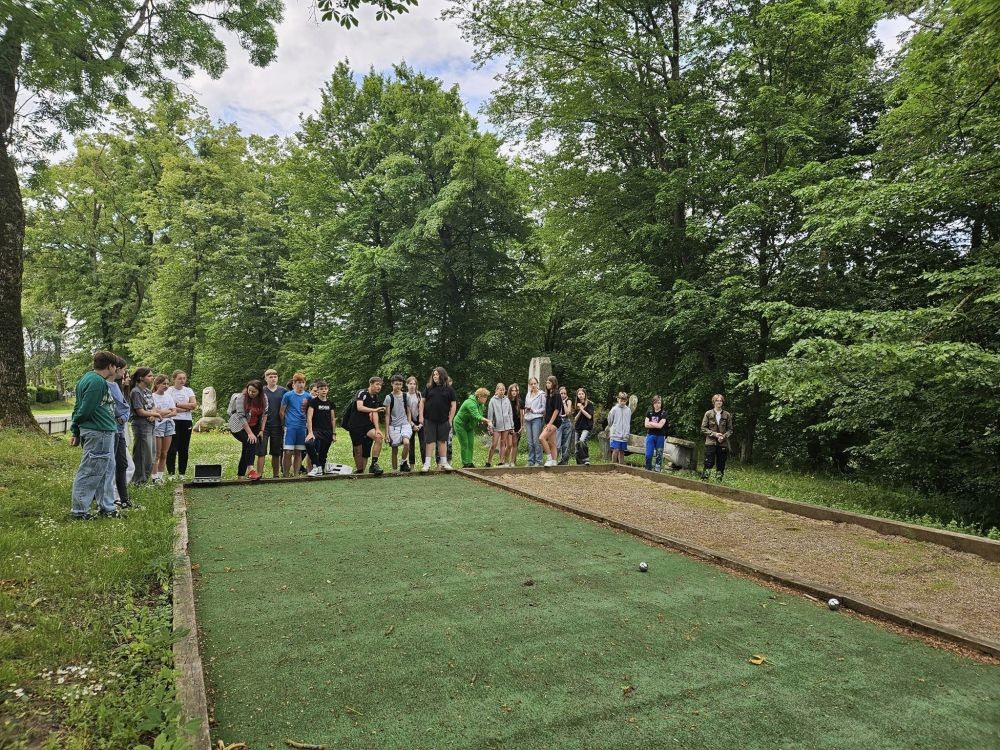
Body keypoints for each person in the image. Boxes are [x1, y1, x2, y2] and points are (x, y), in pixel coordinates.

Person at [68, 351, 120, 520]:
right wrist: (76, 428)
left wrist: (76, 430)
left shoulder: (86, 378)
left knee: (106, 470)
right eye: (115, 366)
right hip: (99, 431)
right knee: (90, 470)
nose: (117, 370)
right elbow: (84, 410)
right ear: (110, 366)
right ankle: (79, 511)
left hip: (104, 431)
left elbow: (78, 407)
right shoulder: (97, 382)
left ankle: (107, 507)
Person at [106, 356, 133, 507]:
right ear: (115, 368)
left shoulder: (116, 386)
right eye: (123, 370)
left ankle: (124, 499)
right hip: (113, 428)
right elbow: (114, 408)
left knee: (122, 464)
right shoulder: (105, 385)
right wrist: (122, 417)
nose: (124, 374)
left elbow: (125, 406)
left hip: (120, 430)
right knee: (111, 465)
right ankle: (109, 499)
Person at [228, 380, 267, 480]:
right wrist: (249, 433)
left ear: (259, 392)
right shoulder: (241, 397)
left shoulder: (264, 398)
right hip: (238, 426)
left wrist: (262, 430)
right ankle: (250, 469)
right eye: (249, 390)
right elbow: (241, 417)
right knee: (251, 442)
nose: (251, 393)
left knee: (246, 448)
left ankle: (240, 476)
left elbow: (264, 414)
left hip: (253, 425)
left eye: (254, 391)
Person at [420, 366, 456, 472]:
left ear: (442, 375)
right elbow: (422, 402)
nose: (435, 376)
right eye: (434, 375)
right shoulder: (428, 387)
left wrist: (450, 420)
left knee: (442, 441)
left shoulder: (449, 389)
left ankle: (444, 463)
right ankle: (427, 464)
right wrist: (421, 416)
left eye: (437, 374)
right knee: (429, 441)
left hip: (443, 420)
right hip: (429, 419)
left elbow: (453, 405)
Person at [348, 376, 385, 475]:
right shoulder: (362, 393)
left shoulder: (375, 397)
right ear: (371, 384)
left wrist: (377, 429)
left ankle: (373, 464)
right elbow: (359, 407)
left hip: (366, 424)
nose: (379, 387)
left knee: (378, 437)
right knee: (358, 450)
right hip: (355, 424)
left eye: (380, 385)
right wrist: (374, 410)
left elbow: (375, 413)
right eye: (377, 384)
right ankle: (360, 471)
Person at [165, 370, 197, 480]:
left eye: (184, 378)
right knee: (172, 447)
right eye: (179, 378)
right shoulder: (169, 391)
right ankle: (171, 473)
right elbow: (169, 407)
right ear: (174, 379)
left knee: (184, 448)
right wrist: (185, 408)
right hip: (173, 420)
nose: (182, 380)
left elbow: (193, 405)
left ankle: (182, 473)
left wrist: (178, 405)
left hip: (186, 421)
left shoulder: (188, 390)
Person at [128, 367, 157, 485]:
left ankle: (145, 479)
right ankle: (138, 480)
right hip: (140, 425)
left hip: (151, 424)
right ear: (141, 378)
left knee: (151, 453)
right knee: (142, 453)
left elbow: (153, 406)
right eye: (149, 376)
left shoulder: (148, 391)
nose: (152, 378)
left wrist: (153, 414)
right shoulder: (136, 392)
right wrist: (153, 414)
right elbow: (139, 411)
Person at [257, 369, 287, 479]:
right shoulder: (261, 391)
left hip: (278, 425)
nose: (273, 378)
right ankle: (259, 474)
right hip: (263, 427)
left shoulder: (283, 391)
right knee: (261, 451)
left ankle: (276, 475)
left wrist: (285, 424)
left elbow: (286, 408)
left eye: (275, 376)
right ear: (265, 378)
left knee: (276, 451)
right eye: (270, 376)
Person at [279, 373, 310, 477]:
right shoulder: (288, 395)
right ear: (294, 383)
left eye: (302, 382)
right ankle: (286, 475)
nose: (300, 385)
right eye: (298, 382)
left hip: (302, 427)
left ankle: (296, 474)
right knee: (288, 451)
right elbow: (282, 411)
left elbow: (310, 413)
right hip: (290, 427)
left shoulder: (308, 396)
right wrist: (283, 425)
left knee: (299, 452)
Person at [304, 380, 336, 476]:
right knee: (309, 444)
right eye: (321, 389)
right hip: (316, 430)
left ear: (328, 390)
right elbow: (309, 417)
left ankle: (321, 468)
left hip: (328, 431)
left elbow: (333, 419)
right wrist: (310, 432)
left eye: (325, 389)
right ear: (317, 390)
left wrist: (334, 433)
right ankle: (316, 465)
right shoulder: (313, 402)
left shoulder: (331, 403)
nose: (324, 391)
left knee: (323, 453)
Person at [455, 388, 492, 468]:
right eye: (484, 397)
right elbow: (477, 415)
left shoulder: (481, 405)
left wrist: (484, 421)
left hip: (469, 426)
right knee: (465, 443)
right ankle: (465, 464)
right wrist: (487, 421)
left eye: (486, 397)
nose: (486, 399)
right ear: (479, 396)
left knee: (471, 444)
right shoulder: (470, 403)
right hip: (460, 424)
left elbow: (479, 416)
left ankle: (470, 462)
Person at [383, 374, 413, 472]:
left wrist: (408, 424)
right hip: (393, 426)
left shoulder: (406, 396)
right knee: (394, 449)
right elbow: (387, 415)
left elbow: (409, 411)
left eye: (400, 384)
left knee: (406, 443)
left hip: (404, 424)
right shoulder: (388, 397)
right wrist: (386, 432)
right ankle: (395, 470)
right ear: (392, 384)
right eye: (396, 384)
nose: (398, 386)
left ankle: (403, 462)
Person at [151, 375, 177, 484]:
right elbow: (153, 413)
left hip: (169, 425)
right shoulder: (152, 396)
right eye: (163, 384)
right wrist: (166, 411)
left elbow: (174, 412)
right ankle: (154, 477)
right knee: (156, 453)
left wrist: (162, 413)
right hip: (157, 426)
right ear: (157, 384)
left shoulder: (169, 397)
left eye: (167, 384)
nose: (166, 386)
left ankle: (161, 476)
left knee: (164, 453)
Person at [701, 394, 734, 481]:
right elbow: (703, 428)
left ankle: (718, 481)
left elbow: (730, 429)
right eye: (717, 400)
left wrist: (724, 436)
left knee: (721, 464)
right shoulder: (708, 414)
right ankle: (705, 479)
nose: (719, 402)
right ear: (714, 402)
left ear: (722, 402)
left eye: (720, 401)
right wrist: (714, 434)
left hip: (723, 443)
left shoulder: (727, 415)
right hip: (710, 442)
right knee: (709, 462)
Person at [486, 383, 514, 467]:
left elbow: (510, 413)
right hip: (496, 426)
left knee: (503, 443)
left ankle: (501, 461)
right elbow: (490, 415)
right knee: (494, 444)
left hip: (506, 425)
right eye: (500, 389)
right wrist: (490, 427)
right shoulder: (492, 400)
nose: (502, 391)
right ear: (496, 390)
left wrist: (512, 426)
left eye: (503, 389)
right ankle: (489, 461)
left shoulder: (507, 400)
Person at [538, 375, 563, 467]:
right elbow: (548, 411)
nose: (547, 384)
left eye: (549, 383)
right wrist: (547, 423)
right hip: (549, 421)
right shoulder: (549, 395)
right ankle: (554, 461)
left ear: (554, 383)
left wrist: (550, 423)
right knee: (552, 443)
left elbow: (556, 410)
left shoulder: (556, 394)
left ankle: (549, 459)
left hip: (555, 422)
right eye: (547, 383)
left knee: (541, 438)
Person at [523, 377, 545, 467]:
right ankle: (530, 460)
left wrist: (534, 410)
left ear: (537, 384)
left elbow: (543, 408)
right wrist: (526, 409)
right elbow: (525, 405)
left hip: (537, 418)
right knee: (529, 441)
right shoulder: (528, 394)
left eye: (534, 383)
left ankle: (538, 461)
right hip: (528, 418)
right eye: (531, 384)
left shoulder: (542, 394)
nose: (533, 385)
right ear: (529, 385)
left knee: (536, 440)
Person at [644, 395, 669, 472]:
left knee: (659, 455)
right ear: (653, 403)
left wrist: (651, 423)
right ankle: (648, 469)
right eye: (655, 403)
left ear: (661, 403)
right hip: (650, 435)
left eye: (659, 402)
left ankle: (657, 472)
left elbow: (660, 426)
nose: (657, 404)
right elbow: (646, 425)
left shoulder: (663, 413)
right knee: (648, 455)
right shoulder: (649, 412)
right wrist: (655, 424)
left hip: (660, 436)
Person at [607, 391, 632, 465]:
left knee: (622, 451)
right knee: (616, 450)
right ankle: (613, 465)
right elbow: (610, 420)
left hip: (624, 435)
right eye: (621, 400)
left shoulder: (628, 410)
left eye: (624, 401)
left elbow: (628, 422)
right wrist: (613, 429)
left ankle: (621, 466)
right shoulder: (614, 409)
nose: (622, 402)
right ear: (618, 399)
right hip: (616, 434)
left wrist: (627, 431)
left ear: (626, 401)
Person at [405, 376, 424, 469]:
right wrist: (412, 425)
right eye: (410, 384)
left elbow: (423, 410)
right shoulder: (404, 396)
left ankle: (425, 464)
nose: (412, 386)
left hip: (420, 421)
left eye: (414, 384)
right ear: (407, 385)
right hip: (409, 421)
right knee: (410, 445)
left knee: (423, 443)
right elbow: (404, 412)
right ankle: (412, 466)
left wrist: (420, 424)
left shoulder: (419, 394)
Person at [574, 388, 595, 465]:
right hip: (578, 428)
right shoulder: (577, 405)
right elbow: (575, 419)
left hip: (586, 428)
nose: (581, 395)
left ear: (585, 395)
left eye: (582, 394)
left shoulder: (589, 404)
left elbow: (589, 416)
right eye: (579, 394)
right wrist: (580, 410)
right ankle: (579, 465)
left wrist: (582, 409)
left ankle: (586, 459)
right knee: (576, 448)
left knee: (582, 441)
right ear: (577, 395)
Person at [507, 383, 524, 467]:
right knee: (508, 444)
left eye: (515, 391)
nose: (514, 392)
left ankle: (513, 461)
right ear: (509, 391)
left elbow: (522, 415)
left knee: (515, 443)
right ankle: (505, 461)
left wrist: (522, 426)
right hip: (508, 425)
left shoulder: (520, 402)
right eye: (512, 390)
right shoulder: (506, 400)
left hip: (517, 424)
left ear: (517, 392)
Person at [557, 385, 574, 465]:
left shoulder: (568, 401)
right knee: (557, 443)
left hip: (566, 423)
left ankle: (564, 462)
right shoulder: (556, 400)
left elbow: (567, 412)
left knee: (566, 443)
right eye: (561, 393)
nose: (563, 395)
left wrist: (564, 403)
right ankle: (554, 460)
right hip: (558, 422)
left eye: (564, 393)